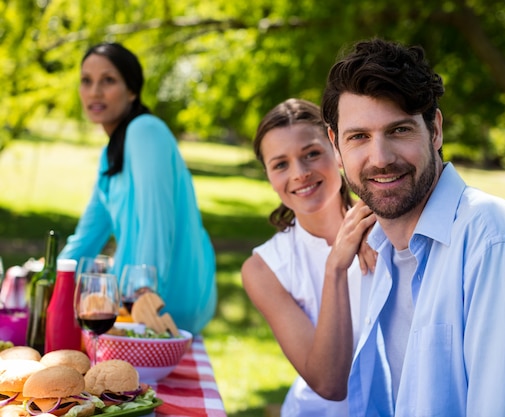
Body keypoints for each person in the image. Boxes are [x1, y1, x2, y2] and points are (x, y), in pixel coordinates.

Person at [319, 39, 505, 416]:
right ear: (336, 146)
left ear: (436, 130)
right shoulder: (382, 250)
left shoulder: (496, 245)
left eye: (399, 131)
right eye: (359, 137)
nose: (380, 159)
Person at [58, 42, 217, 335]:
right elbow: (87, 236)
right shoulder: (111, 154)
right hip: (129, 302)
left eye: (108, 80)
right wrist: (53, 277)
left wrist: (144, 289)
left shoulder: (146, 131)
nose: (94, 91)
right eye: (86, 81)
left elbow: (157, 219)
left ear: (131, 90)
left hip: (159, 301)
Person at [241, 98, 377, 416]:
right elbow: (329, 383)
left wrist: (380, 224)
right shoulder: (263, 269)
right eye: (281, 164)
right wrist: (335, 267)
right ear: (270, 177)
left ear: (338, 152)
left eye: (312, 154)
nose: (300, 173)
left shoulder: (386, 226)